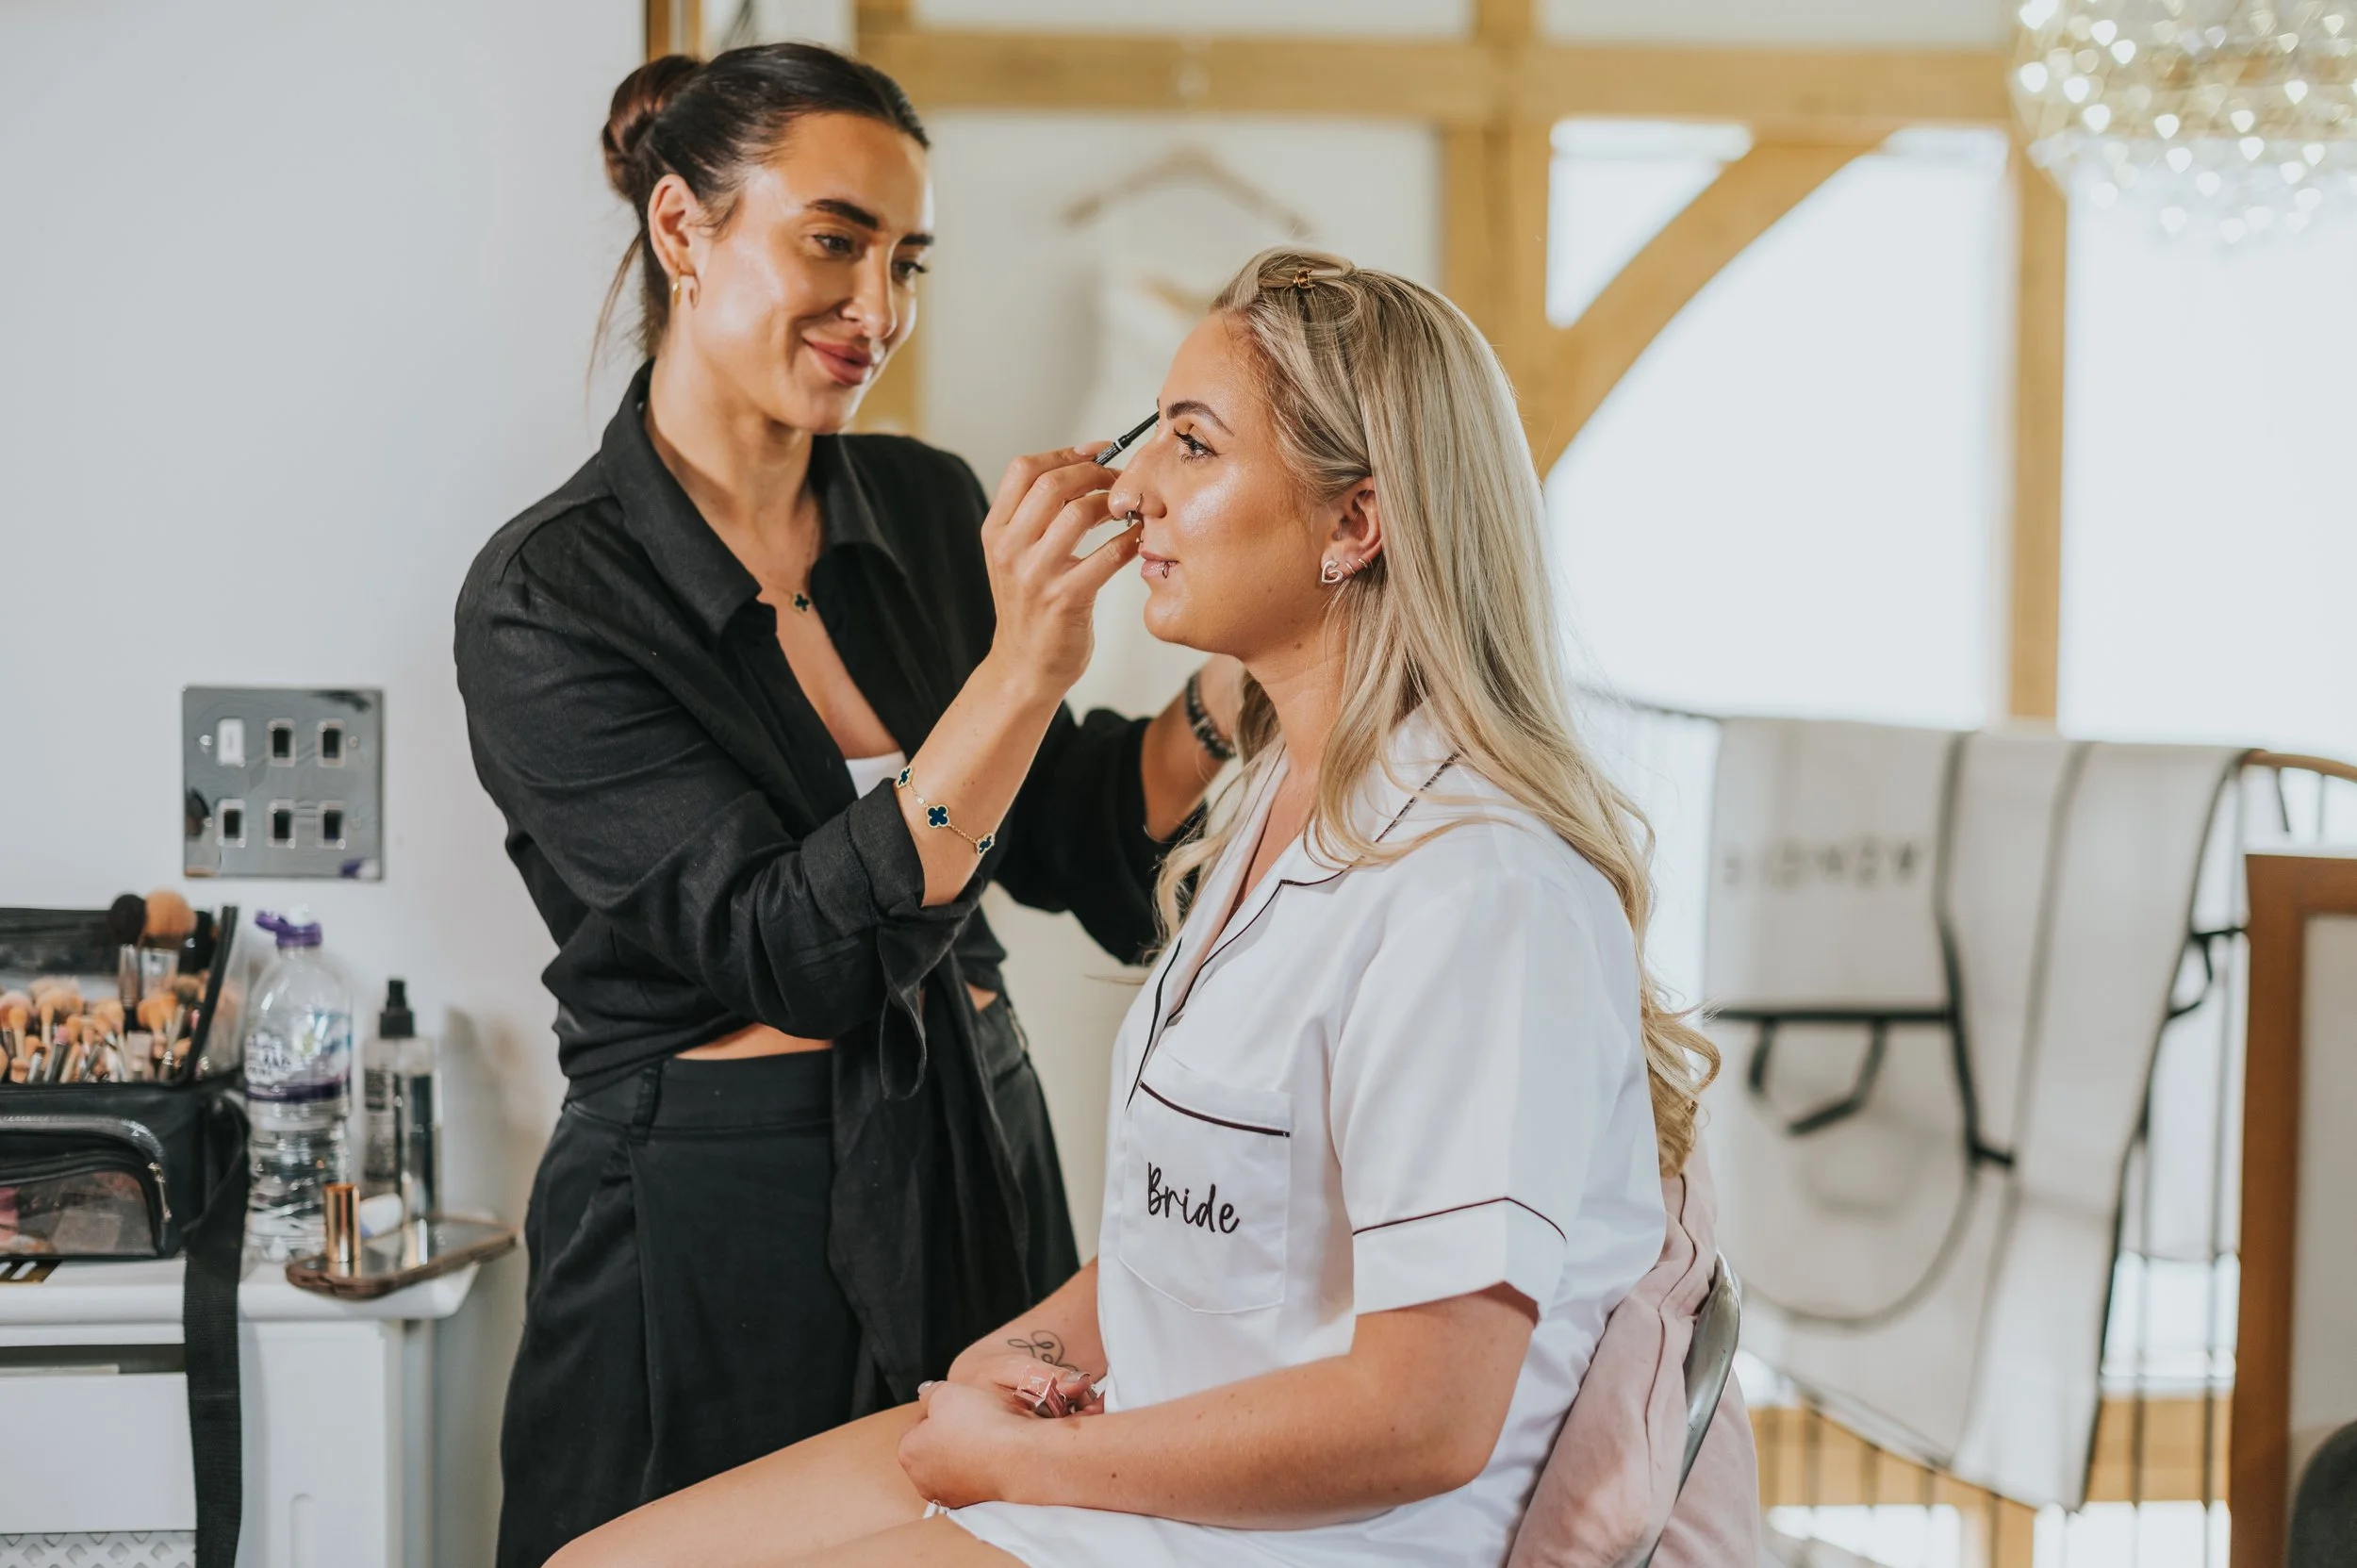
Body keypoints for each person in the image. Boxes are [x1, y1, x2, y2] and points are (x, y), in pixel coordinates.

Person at [547, 248, 1722, 1568]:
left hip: (1307, 1540)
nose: (1131, 487)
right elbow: (1201, 1243)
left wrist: (1035, 1459)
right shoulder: (1269, 813)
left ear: (1354, 526)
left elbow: (1427, 1414)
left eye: (1192, 446)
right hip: (1137, 1470)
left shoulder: (1477, 888)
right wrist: (1016, 1357)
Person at [453, 43, 1239, 1566]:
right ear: (683, 229)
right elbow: (790, 949)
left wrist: (1251, 684)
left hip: (975, 1160)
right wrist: (1022, 662)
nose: (878, 310)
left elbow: (1076, 828)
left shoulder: (930, 511)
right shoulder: (548, 602)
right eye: (833, 242)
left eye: (906, 260)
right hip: (710, 1227)